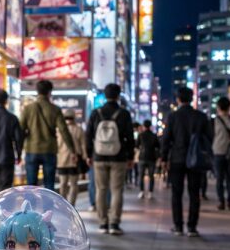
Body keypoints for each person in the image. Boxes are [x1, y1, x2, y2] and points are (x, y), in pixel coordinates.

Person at [160, 87, 211, 237]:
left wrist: (164, 158)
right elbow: (209, 137)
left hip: (177, 158)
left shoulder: (173, 116)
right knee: (195, 193)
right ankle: (192, 227)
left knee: (177, 193)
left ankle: (178, 226)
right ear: (192, 98)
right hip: (196, 159)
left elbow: (166, 139)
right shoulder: (201, 116)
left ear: (178, 99)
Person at [86, 83, 135, 235]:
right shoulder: (124, 113)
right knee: (117, 190)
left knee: (101, 189)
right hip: (118, 157)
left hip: (99, 156)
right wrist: (131, 156)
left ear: (105, 96)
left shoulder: (96, 113)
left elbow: (88, 135)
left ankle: (103, 223)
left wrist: (89, 155)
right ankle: (114, 223)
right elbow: (130, 138)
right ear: (118, 95)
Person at [20, 80, 73, 191]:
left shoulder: (28, 109)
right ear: (50, 92)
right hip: (49, 150)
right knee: (49, 185)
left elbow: (21, 130)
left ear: (37, 91)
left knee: (31, 185)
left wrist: (19, 152)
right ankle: (47, 208)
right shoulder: (55, 109)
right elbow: (63, 130)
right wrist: (72, 150)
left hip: (31, 149)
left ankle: (31, 207)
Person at [212, 96, 230, 210]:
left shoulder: (213, 121)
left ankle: (221, 202)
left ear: (218, 107)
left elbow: (210, 137)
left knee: (219, 178)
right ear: (229, 107)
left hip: (218, 152)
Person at [56, 109, 86, 206]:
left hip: (62, 160)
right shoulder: (78, 129)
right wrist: (85, 158)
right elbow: (83, 145)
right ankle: (72, 205)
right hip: (75, 161)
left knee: (63, 184)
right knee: (74, 184)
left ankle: (63, 205)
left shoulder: (58, 130)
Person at [136, 120, 159, 198]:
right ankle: (150, 192)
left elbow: (136, 145)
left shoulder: (141, 135)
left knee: (141, 175)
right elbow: (158, 146)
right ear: (150, 126)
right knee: (151, 176)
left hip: (142, 157)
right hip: (152, 157)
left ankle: (141, 191)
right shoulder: (154, 135)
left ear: (144, 126)